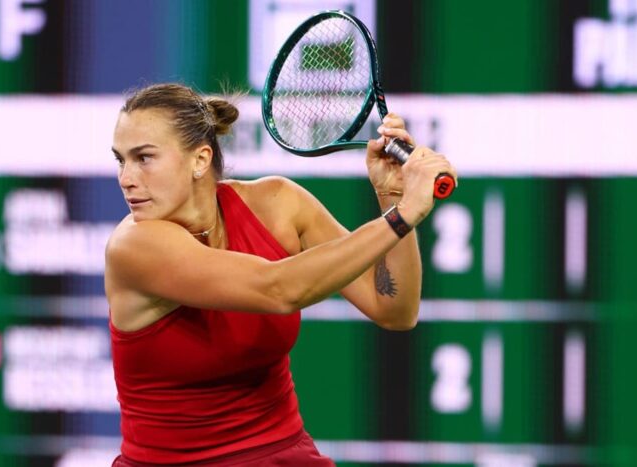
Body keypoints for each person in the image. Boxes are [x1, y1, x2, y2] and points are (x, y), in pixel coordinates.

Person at [105, 83, 457, 466]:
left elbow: (394, 309)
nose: (126, 177)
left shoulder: (278, 205)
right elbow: (277, 289)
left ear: (200, 160)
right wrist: (403, 215)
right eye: (121, 160)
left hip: (283, 454)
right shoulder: (134, 247)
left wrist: (392, 196)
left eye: (143, 158)